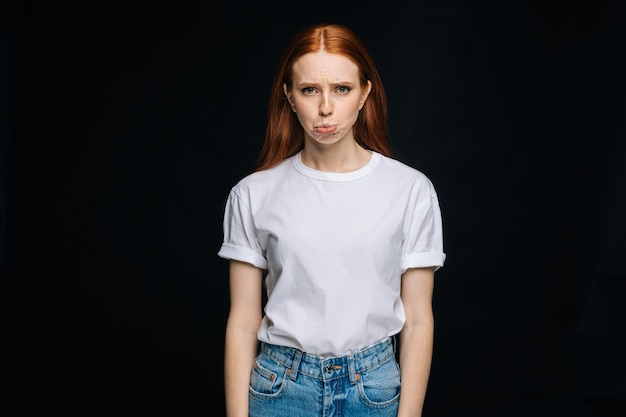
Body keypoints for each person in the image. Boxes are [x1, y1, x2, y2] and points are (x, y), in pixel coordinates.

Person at [218, 23, 446, 417]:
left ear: (364, 93)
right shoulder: (253, 193)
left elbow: (419, 320)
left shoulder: (410, 190)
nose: (326, 108)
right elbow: (242, 320)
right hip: (281, 386)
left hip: (373, 388)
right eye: (310, 90)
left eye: (342, 89)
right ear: (289, 97)